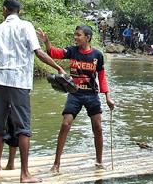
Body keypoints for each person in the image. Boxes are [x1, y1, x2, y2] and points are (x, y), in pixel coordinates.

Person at [0, 0, 65, 183]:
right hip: (19, 81)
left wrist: (1, 63)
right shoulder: (26, 26)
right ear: (19, 11)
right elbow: (38, 52)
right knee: (23, 128)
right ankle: (24, 174)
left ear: (5, 10)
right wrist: (58, 68)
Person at [38, 25, 116, 171]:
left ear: (87, 37)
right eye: (75, 35)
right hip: (75, 94)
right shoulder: (72, 51)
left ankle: (99, 162)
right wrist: (46, 41)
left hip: (91, 94)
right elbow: (53, 53)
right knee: (65, 124)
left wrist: (108, 97)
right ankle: (56, 164)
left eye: (78, 35)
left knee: (97, 127)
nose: (75, 37)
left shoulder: (97, 55)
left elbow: (102, 77)